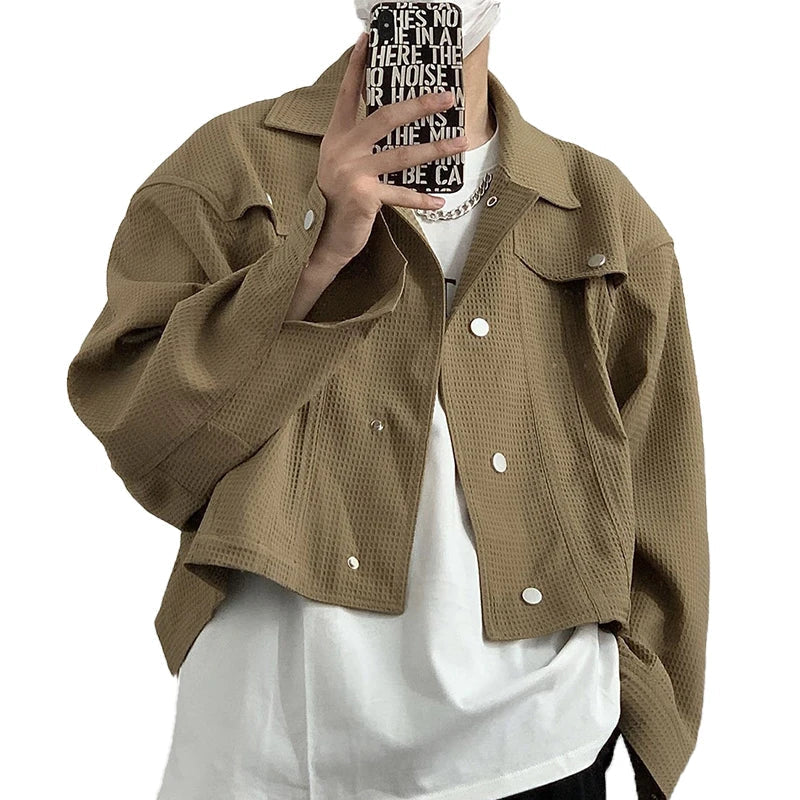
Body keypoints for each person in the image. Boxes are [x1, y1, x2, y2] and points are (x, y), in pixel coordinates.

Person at [65, 2, 709, 799]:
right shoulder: (225, 170)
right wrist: (316, 251)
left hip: (537, 741)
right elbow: (147, 444)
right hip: (267, 744)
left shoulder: (602, 211)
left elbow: (663, 496)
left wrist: (646, 724)